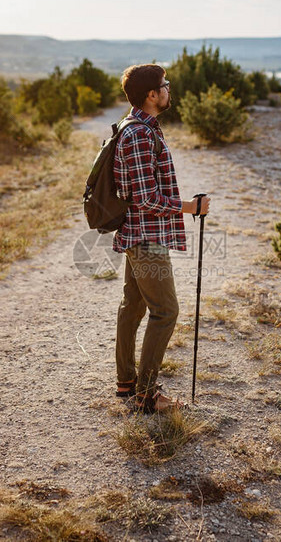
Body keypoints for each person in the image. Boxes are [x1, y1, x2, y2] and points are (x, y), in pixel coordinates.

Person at [112, 64, 211, 413]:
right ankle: (146, 394)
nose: (169, 89)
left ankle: (127, 382)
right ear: (152, 95)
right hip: (144, 237)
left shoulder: (140, 128)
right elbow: (145, 198)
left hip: (138, 233)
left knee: (135, 306)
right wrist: (191, 207)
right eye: (165, 85)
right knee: (166, 311)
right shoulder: (138, 134)